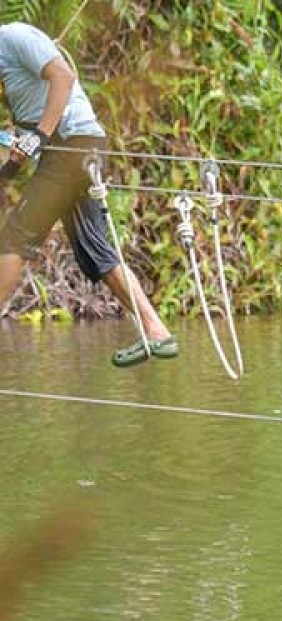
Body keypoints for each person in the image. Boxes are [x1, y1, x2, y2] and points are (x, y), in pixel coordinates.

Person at [0, 20, 175, 367]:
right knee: (95, 250)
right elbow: (29, 133)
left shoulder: (14, 37)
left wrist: (41, 135)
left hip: (73, 144)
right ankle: (157, 331)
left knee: (15, 239)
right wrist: (11, 167)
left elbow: (63, 78)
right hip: (67, 149)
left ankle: (156, 328)